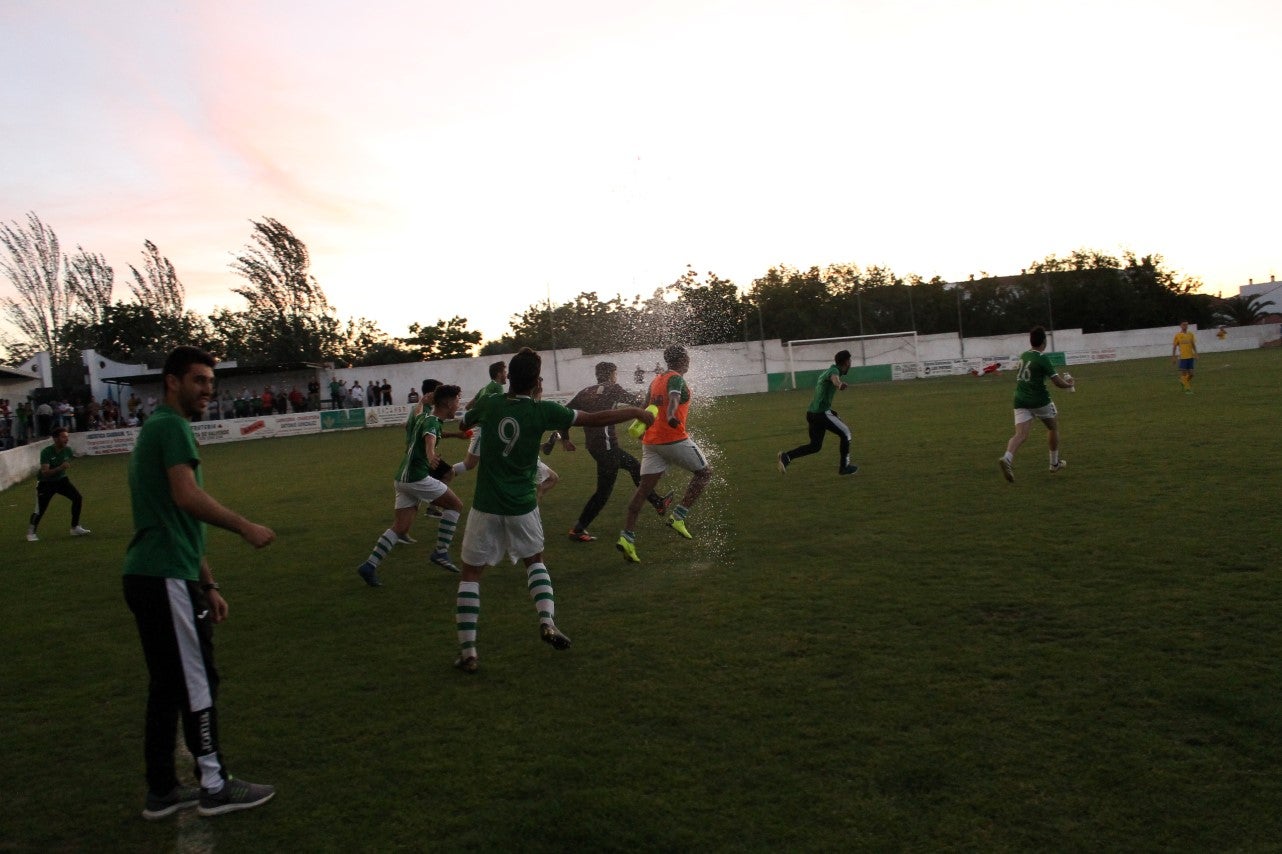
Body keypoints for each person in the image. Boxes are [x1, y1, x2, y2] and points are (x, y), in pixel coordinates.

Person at [122, 345, 277, 819]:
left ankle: (162, 790)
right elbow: (187, 497)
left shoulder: (160, 428)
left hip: (157, 572)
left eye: (211, 381)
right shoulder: (170, 427)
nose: (208, 389)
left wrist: (208, 584)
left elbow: (175, 518)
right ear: (172, 381)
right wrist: (246, 526)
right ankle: (214, 785)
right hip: (164, 575)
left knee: (167, 685)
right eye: (198, 380)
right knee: (196, 680)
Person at [451, 348, 652, 674]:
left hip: (485, 504)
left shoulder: (490, 403)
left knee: (471, 574)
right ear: (535, 382)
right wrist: (636, 412)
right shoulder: (543, 411)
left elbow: (464, 422)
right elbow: (593, 418)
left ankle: (469, 651)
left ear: (510, 378)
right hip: (522, 505)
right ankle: (547, 622)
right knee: (535, 562)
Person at [357, 385, 465, 585]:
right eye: (458, 400)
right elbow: (430, 438)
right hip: (416, 478)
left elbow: (420, 418)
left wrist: (422, 402)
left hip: (402, 479)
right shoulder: (432, 422)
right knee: (456, 506)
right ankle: (441, 552)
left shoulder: (424, 416)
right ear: (448, 403)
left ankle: (369, 566)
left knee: (400, 527)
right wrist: (431, 454)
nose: (459, 404)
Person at [615, 345, 713, 564]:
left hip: (651, 443)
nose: (689, 362)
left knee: (643, 490)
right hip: (674, 439)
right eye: (687, 358)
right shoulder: (676, 378)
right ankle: (679, 516)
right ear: (682, 360)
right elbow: (674, 398)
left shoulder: (655, 380)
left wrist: (640, 430)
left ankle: (627, 537)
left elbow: (644, 406)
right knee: (705, 473)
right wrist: (670, 414)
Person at [562, 361, 673, 542]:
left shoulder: (586, 391)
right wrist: (653, 395)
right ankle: (578, 529)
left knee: (633, 466)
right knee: (603, 492)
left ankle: (658, 502)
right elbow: (638, 403)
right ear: (612, 374)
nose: (616, 376)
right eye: (615, 373)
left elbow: (564, 413)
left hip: (596, 446)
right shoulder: (613, 388)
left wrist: (565, 438)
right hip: (606, 447)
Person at [999, 325, 1075, 483]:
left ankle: (1007, 458)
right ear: (1044, 342)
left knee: (1020, 434)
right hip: (1039, 400)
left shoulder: (1024, 355)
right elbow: (1057, 382)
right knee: (1053, 427)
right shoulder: (1042, 358)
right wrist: (1069, 384)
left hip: (1020, 399)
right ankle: (1054, 463)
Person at [776, 350, 859, 476]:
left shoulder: (828, 371)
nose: (850, 364)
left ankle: (786, 457)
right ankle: (844, 467)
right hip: (821, 414)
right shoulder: (834, 371)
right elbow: (835, 380)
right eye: (850, 361)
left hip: (812, 413)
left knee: (815, 446)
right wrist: (840, 385)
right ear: (846, 362)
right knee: (846, 433)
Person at [27, 426, 91, 541]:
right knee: (40, 509)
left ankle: (75, 527)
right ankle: (31, 533)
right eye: (63, 437)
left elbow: (65, 464)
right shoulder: (46, 452)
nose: (66, 439)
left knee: (77, 498)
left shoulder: (68, 450)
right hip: (45, 483)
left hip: (61, 480)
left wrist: (61, 470)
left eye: (67, 437)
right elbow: (45, 472)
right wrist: (60, 468)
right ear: (55, 439)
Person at [451, 360, 508, 478]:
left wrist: (475, 418)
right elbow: (499, 410)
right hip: (483, 430)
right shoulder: (497, 387)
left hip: (485, 429)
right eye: (504, 372)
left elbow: (468, 406)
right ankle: (440, 475)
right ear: (498, 374)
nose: (506, 375)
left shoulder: (485, 388)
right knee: (469, 463)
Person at [1172, 320, 1198, 394]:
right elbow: (1174, 347)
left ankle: (1183, 380)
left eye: (1186, 325)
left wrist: (1196, 353)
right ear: (1180, 326)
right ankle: (1188, 389)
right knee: (1184, 374)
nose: (1185, 326)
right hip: (1183, 358)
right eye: (1183, 325)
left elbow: (1193, 344)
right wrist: (1173, 358)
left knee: (1191, 374)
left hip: (1190, 357)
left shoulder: (1190, 334)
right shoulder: (1177, 335)